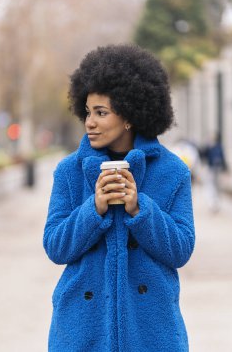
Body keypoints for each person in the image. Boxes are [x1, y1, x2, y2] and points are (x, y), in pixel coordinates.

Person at [43, 44, 195, 352]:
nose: (90, 122)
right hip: (81, 329)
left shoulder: (172, 171)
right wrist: (93, 209)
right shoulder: (69, 171)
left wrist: (141, 209)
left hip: (151, 330)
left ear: (129, 116)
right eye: (87, 112)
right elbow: (56, 247)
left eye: (101, 113)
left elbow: (181, 250)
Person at [202, 132, 227, 212]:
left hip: (217, 169)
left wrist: (225, 168)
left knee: (216, 187)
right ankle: (213, 204)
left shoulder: (219, 146)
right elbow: (203, 155)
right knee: (211, 186)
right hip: (211, 169)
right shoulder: (209, 146)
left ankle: (216, 204)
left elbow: (223, 158)